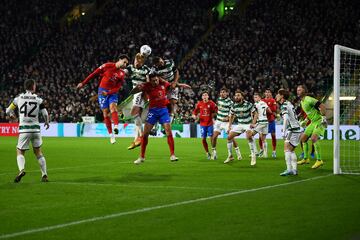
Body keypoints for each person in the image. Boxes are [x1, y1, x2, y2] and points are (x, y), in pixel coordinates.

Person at [130, 72, 191, 164]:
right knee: (145, 134)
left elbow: (173, 85)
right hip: (153, 112)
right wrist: (137, 88)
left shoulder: (163, 84)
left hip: (163, 111)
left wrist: (181, 85)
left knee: (168, 131)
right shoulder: (146, 86)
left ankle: (172, 155)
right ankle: (141, 157)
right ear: (150, 81)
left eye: (157, 79)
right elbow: (132, 92)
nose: (156, 81)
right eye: (153, 80)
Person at [76, 55, 129, 144]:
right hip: (102, 90)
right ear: (119, 60)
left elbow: (117, 88)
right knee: (105, 112)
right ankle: (111, 135)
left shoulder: (122, 74)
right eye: (124, 62)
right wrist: (83, 83)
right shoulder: (107, 66)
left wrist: (108, 93)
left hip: (112, 92)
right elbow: (94, 73)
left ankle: (116, 126)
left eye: (126, 63)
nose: (125, 64)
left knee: (113, 107)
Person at [6, 79, 50, 183]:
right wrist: (47, 122)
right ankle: (44, 175)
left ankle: (21, 170)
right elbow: (45, 113)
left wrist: (12, 115)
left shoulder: (18, 98)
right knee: (38, 152)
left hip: (24, 130)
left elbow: (8, 110)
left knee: (20, 151)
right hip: (35, 129)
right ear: (33, 87)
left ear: (25, 87)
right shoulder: (38, 99)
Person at [296, 85, 327, 169]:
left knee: (313, 138)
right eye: (297, 90)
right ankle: (306, 158)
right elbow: (311, 112)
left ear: (304, 91)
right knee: (303, 139)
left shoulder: (309, 99)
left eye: (299, 90)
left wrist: (323, 118)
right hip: (313, 122)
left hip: (319, 121)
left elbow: (322, 106)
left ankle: (319, 160)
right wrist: (305, 121)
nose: (297, 91)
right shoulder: (302, 102)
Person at [125, 53, 151, 149]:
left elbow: (149, 81)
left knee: (134, 113)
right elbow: (124, 72)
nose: (136, 62)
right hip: (135, 93)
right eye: (135, 60)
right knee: (136, 117)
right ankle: (136, 139)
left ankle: (140, 136)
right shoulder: (130, 67)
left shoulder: (146, 69)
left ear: (142, 61)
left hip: (142, 92)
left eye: (138, 61)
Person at [225, 90, 257, 165]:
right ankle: (230, 156)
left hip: (248, 124)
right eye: (235, 95)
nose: (236, 97)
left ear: (242, 96)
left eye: (238, 95)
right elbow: (231, 116)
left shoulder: (248, 104)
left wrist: (253, 123)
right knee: (229, 137)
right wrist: (229, 126)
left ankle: (253, 155)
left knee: (248, 136)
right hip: (240, 124)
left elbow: (255, 113)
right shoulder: (233, 105)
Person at [276, 89, 301, 176]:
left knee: (287, 149)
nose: (276, 96)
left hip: (293, 130)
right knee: (291, 150)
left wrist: (283, 131)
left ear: (282, 96)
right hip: (296, 129)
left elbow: (286, 118)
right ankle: (294, 170)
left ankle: (289, 169)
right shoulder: (289, 103)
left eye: (278, 94)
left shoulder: (284, 105)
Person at [211, 87, 241, 160]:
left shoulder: (230, 102)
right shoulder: (219, 99)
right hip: (218, 121)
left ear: (227, 93)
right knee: (214, 137)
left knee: (231, 137)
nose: (222, 93)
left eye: (224, 92)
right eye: (221, 92)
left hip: (226, 123)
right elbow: (217, 109)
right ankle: (214, 152)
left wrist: (228, 118)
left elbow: (233, 113)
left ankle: (238, 152)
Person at [192, 91, 218, 160]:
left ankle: (214, 151)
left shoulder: (211, 103)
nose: (205, 96)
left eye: (206, 95)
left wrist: (213, 117)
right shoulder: (199, 104)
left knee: (211, 137)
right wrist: (194, 115)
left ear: (208, 96)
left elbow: (216, 110)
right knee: (203, 139)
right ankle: (207, 153)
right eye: (203, 95)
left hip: (210, 123)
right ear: (202, 97)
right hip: (202, 124)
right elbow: (195, 111)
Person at [251, 93, 272, 158]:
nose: (255, 99)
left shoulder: (255, 104)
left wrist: (253, 123)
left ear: (260, 97)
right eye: (254, 97)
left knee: (250, 135)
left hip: (260, 122)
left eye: (256, 97)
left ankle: (255, 152)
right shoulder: (264, 103)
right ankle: (265, 154)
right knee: (263, 139)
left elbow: (254, 114)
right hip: (266, 122)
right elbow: (270, 111)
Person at [261, 89, 277, 158]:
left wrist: (266, 109)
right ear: (264, 93)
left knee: (273, 135)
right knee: (261, 137)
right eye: (266, 92)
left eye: (268, 92)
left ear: (270, 93)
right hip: (263, 121)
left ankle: (274, 151)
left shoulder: (273, 100)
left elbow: (274, 109)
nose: (267, 93)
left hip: (271, 120)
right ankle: (262, 151)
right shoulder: (262, 101)